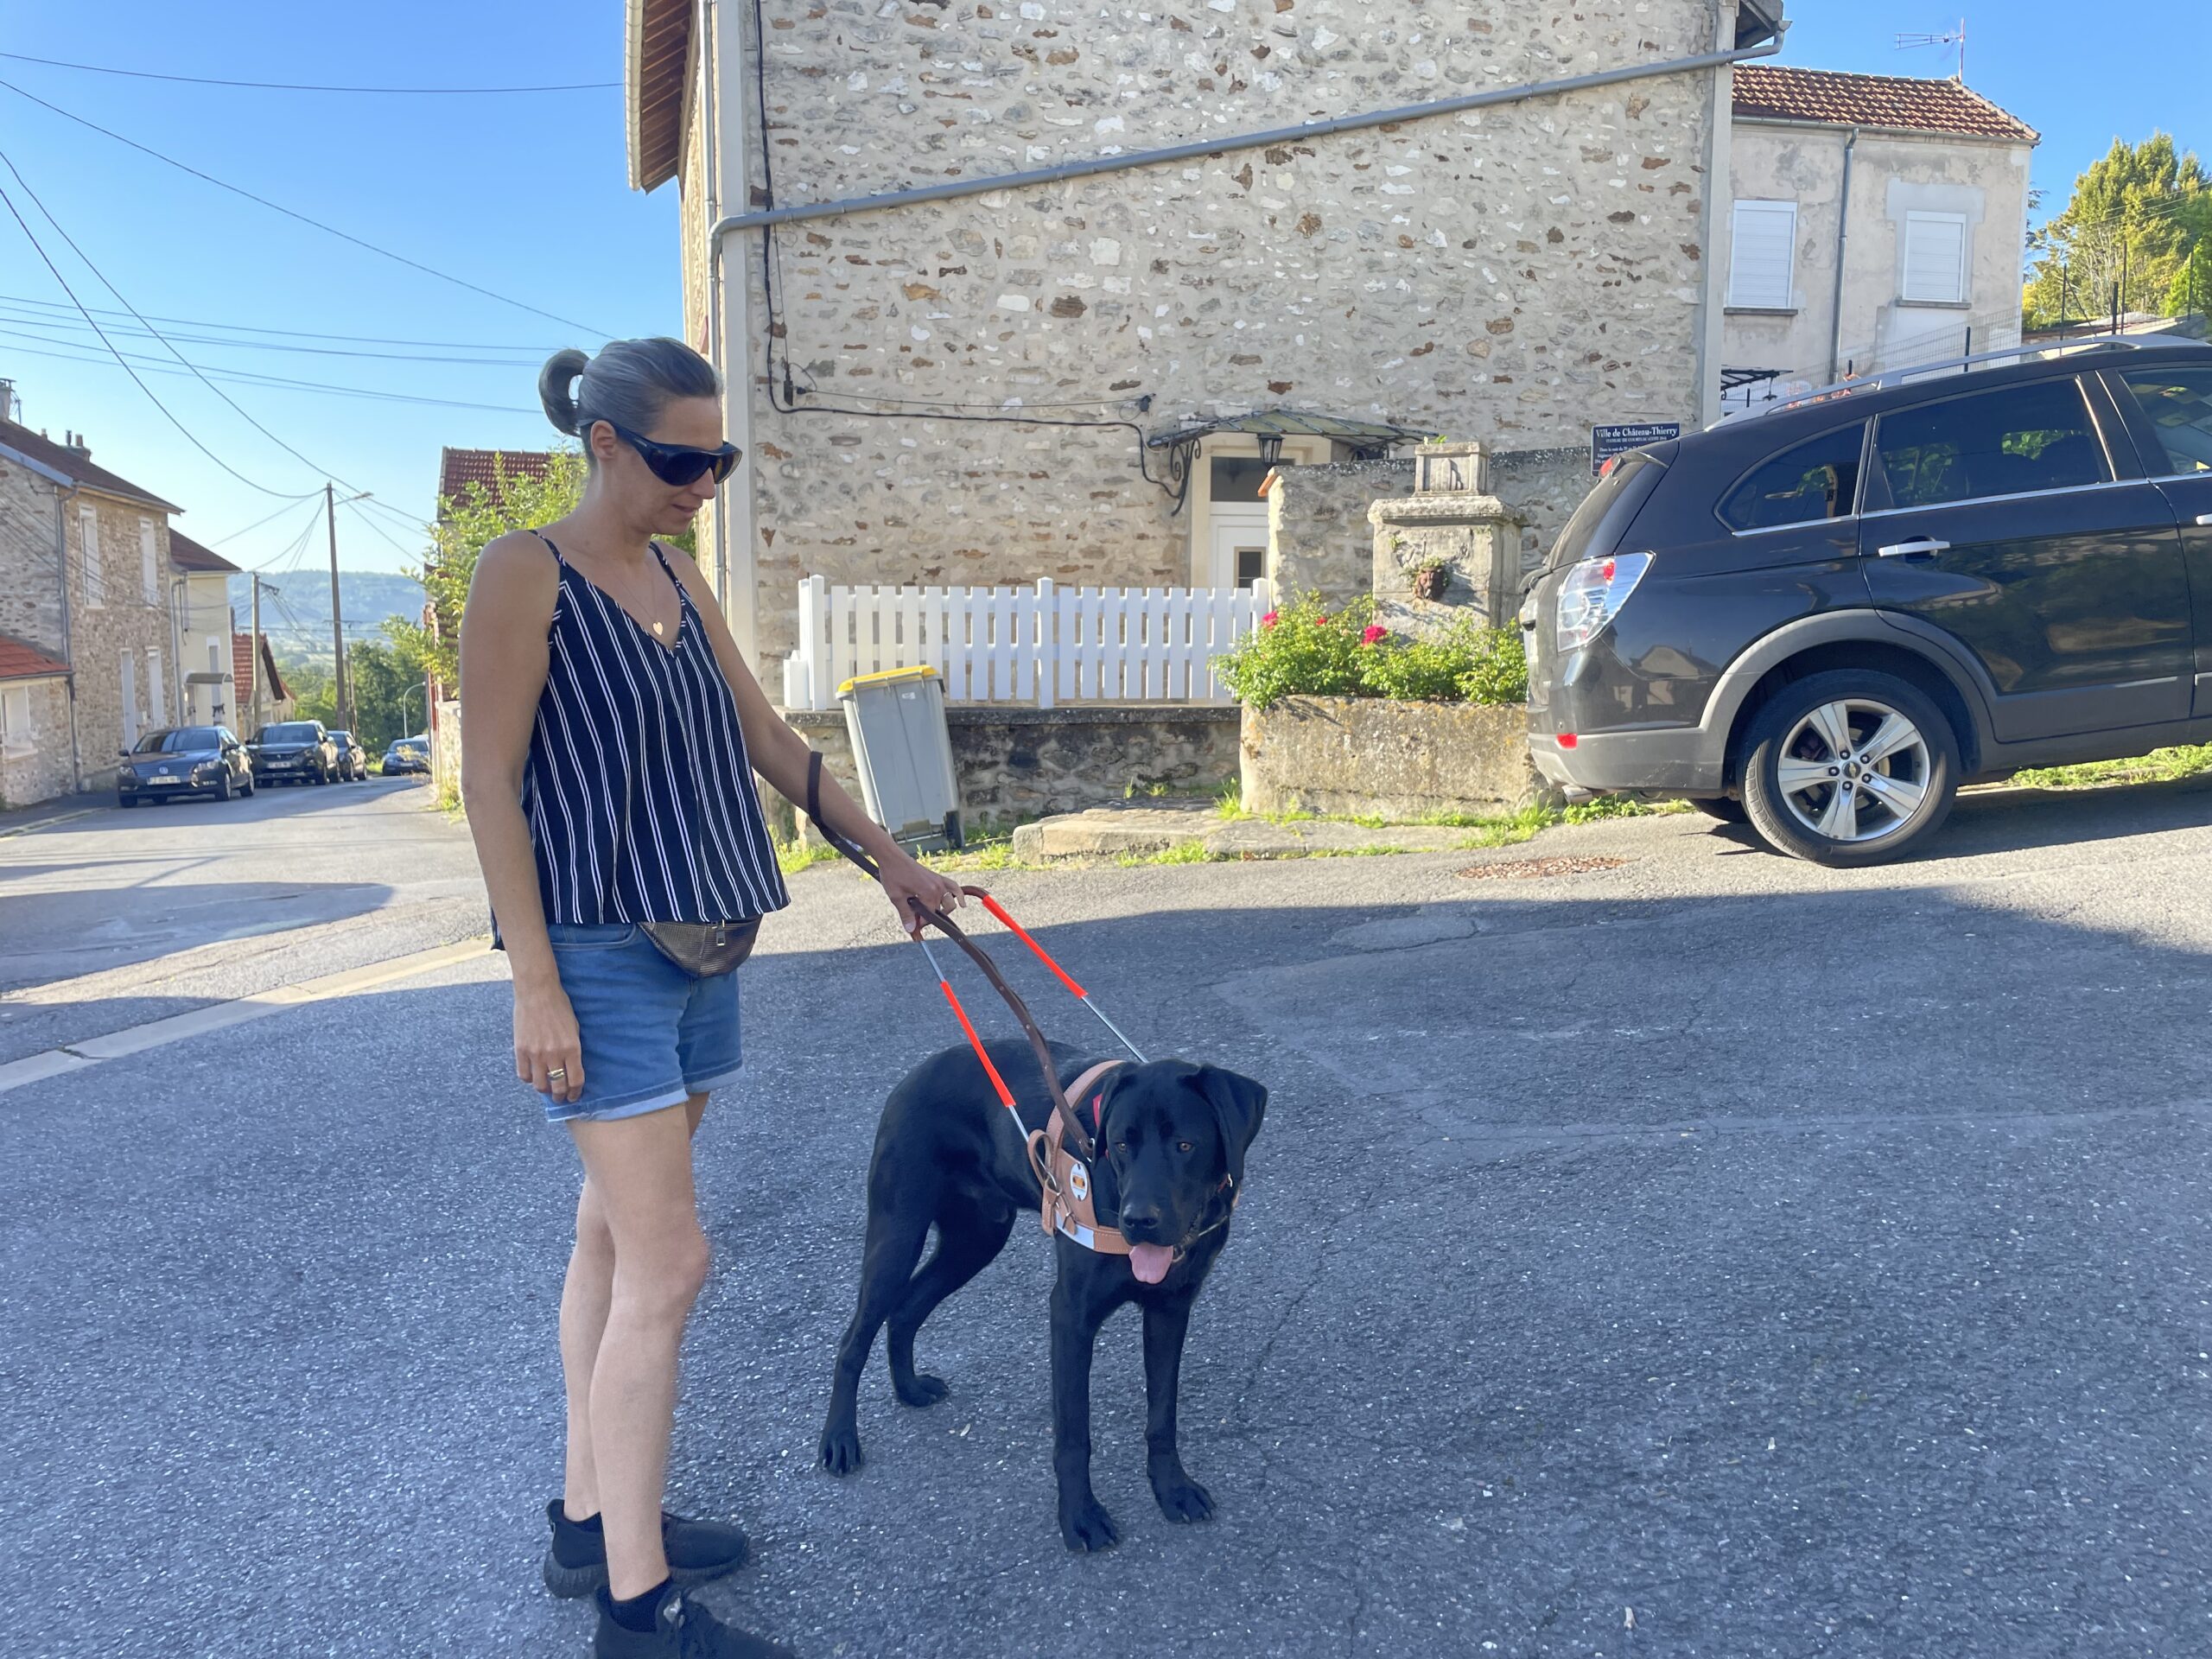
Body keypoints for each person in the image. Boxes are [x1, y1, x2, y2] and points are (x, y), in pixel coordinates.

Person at [460, 338, 962, 1659]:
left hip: (702, 942)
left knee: (615, 1244)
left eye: (718, 460)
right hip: (597, 950)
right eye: (682, 460)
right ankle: (637, 1608)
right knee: (672, 1261)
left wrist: (890, 858)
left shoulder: (681, 573)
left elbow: (767, 738)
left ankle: (591, 1520)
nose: (704, 483)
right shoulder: (529, 571)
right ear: (606, 444)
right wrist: (534, 985)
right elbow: (488, 784)